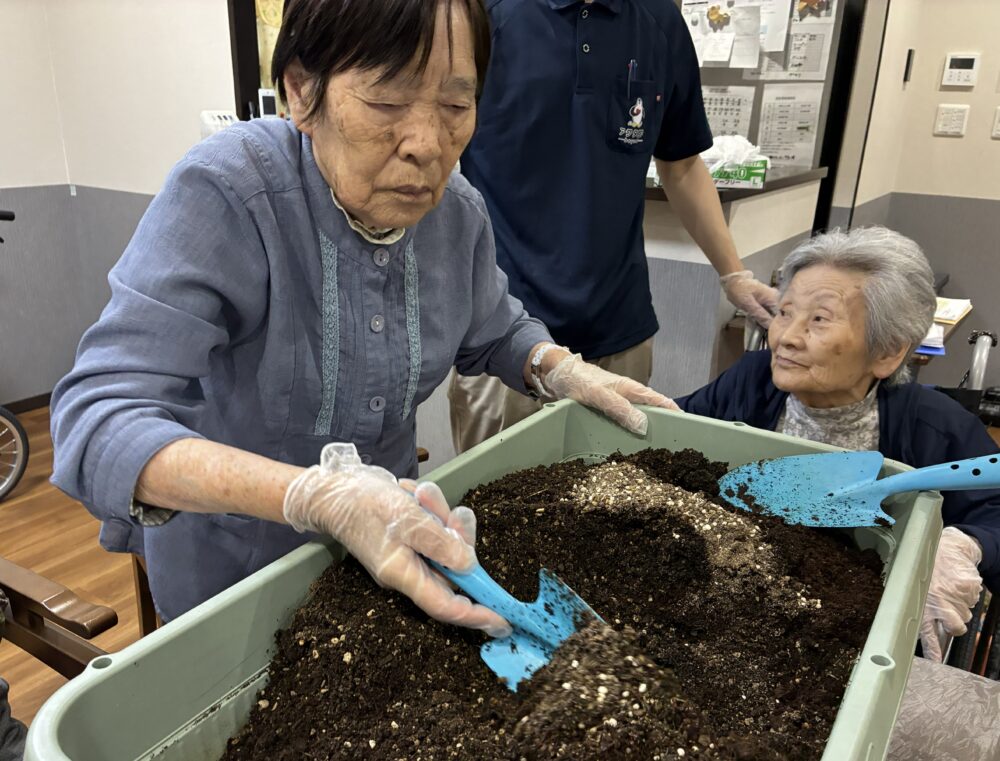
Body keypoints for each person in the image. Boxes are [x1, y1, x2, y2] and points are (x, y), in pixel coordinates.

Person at [49, 0, 675, 629]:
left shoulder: (455, 213)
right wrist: (311, 495)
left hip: (387, 567)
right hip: (234, 581)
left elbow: (494, 326)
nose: (427, 145)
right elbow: (96, 420)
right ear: (300, 91)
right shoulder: (231, 194)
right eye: (386, 102)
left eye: (457, 107)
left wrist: (556, 368)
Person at [447, 0, 778, 454]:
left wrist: (733, 274)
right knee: (492, 506)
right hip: (501, 332)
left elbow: (680, 163)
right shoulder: (482, 15)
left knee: (610, 503)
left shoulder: (659, 22)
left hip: (619, 326)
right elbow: (439, 147)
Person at [675, 226, 1000, 661]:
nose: (786, 337)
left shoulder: (936, 429)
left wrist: (964, 543)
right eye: (785, 312)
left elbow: (994, 513)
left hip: (855, 640)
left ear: (887, 352)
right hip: (728, 607)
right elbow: (676, 434)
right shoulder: (749, 382)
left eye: (819, 320)